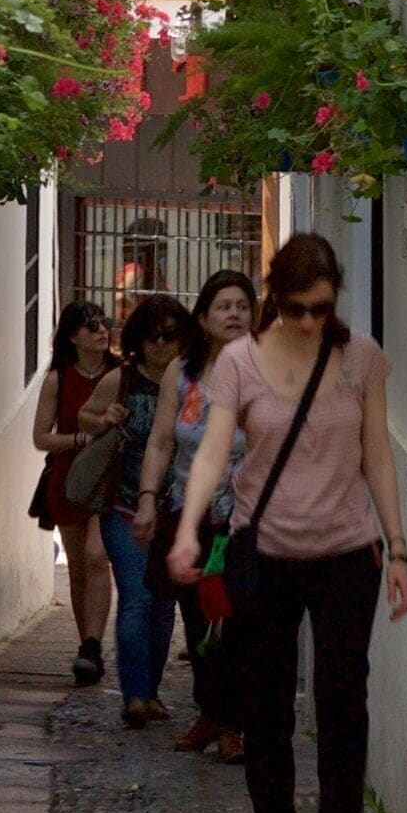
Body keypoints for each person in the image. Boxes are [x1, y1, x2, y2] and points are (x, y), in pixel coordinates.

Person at [169, 233, 407, 813]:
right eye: (297, 308)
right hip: (266, 552)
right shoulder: (240, 363)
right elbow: (213, 453)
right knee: (267, 704)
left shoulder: (359, 358)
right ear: (275, 298)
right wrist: (187, 530)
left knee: (343, 700)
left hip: (346, 554)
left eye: (321, 308)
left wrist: (398, 547)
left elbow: (377, 455)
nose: (308, 322)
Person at [148, 267, 256, 757]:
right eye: (224, 306)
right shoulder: (182, 372)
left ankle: (233, 723)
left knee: (236, 618)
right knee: (197, 619)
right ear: (204, 317)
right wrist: (147, 499)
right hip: (188, 514)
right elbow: (161, 441)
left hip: (244, 517)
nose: (234, 314)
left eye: (243, 306)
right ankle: (210, 713)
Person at [94, 293, 200, 727]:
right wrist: (104, 419)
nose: (160, 344)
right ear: (139, 338)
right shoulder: (120, 380)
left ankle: (151, 691)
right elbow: (84, 417)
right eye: (152, 336)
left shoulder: (193, 382)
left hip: (175, 510)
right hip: (123, 505)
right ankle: (135, 695)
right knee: (137, 597)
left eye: (169, 336)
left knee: (163, 604)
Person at [30, 300, 117, 687]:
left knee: (98, 557)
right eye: (90, 326)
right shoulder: (58, 380)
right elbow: (41, 437)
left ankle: (93, 645)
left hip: (110, 481)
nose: (101, 330)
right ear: (72, 337)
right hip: (69, 482)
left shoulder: (119, 374)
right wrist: (79, 439)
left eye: (103, 323)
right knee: (80, 568)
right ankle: (88, 647)